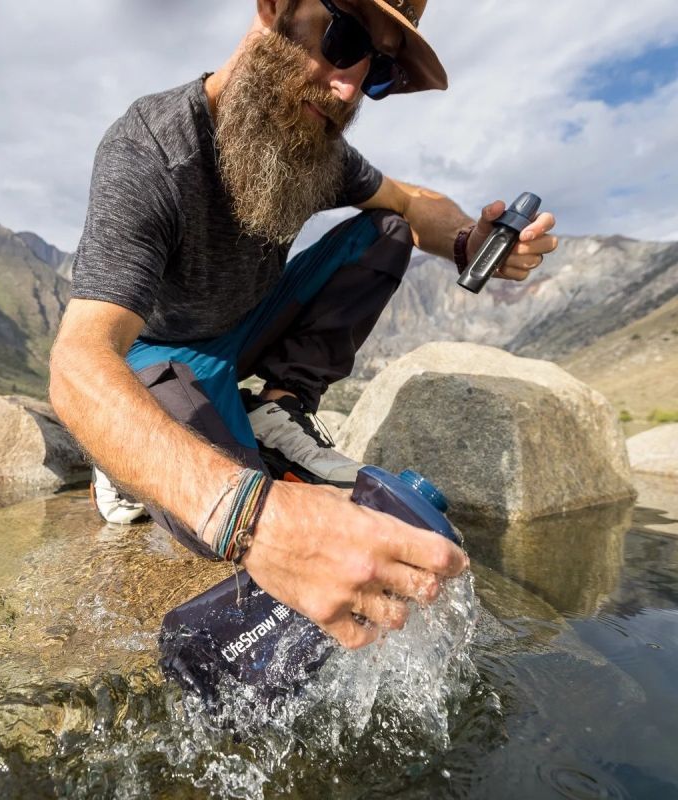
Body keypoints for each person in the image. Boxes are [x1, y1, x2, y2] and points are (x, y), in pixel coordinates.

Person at [49, 0, 558, 649]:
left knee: (386, 232)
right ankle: (121, 465)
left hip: (248, 329)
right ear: (274, 8)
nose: (350, 88)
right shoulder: (151, 149)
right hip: (158, 353)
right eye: (343, 38)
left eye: (376, 71)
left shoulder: (315, 148)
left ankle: (280, 407)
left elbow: (410, 203)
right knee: (223, 532)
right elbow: (78, 361)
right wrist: (256, 519)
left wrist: (467, 239)